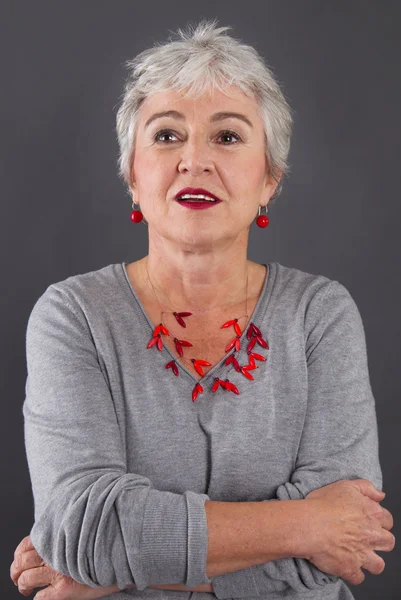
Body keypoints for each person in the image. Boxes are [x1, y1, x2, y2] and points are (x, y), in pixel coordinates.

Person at [10, 18, 394, 600]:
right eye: (166, 136)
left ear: (270, 179)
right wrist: (305, 526)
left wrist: (106, 575)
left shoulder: (321, 315)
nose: (195, 160)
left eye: (229, 136)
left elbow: (347, 548)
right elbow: (83, 530)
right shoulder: (73, 316)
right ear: (132, 176)